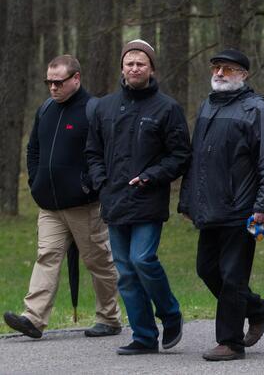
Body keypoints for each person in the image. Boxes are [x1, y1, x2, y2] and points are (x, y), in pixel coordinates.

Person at [177, 49, 264, 361]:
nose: (220, 74)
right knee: (207, 269)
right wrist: (188, 201)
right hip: (210, 207)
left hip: (242, 208)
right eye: (216, 68)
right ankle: (259, 309)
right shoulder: (208, 105)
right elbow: (196, 160)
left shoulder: (256, 109)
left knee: (232, 275)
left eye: (227, 69)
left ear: (244, 74)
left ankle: (231, 342)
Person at [3, 55, 121, 340]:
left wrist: (89, 186)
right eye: (49, 82)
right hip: (50, 205)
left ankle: (109, 318)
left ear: (76, 79)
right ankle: (33, 318)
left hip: (84, 205)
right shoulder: (45, 109)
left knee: (98, 262)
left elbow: (107, 154)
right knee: (47, 256)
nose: (53, 88)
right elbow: (33, 149)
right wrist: (36, 182)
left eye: (59, 82)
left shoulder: (94, 110)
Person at [86, 39, 190, 355]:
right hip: (114, 200)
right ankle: (144, 337)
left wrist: (150, 176)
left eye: (141, 63)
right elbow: (92, 152)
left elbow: (181, 155)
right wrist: (101, 182)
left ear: (151, 69)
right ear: (122, 67)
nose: (134, 68)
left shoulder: (167, 108)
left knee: (142, 259)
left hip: (147, 198)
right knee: (126, 272)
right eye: (129, 63)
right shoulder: (104, 107)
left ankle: (170, 313)